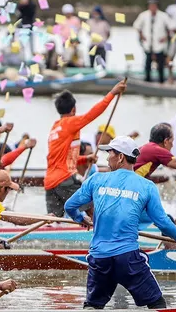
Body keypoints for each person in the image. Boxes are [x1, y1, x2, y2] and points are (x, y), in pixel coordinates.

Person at [64, 136, 176, 310]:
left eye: (109, 153)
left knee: (92, 308)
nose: (107, 157)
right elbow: (162, 222)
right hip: (128, 259)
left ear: (120, 157)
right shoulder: (147, 186)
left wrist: (81, 219)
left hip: (99, 258)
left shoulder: (96, 180)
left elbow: (70, 206)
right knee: (157, 304)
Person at [44, 82, 126, 217]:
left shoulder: (55, 128)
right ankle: (104, 234)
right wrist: (112, 93)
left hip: (50, 182)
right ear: (74, 109)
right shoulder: (69, 122)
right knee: (91, 206)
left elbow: (62, 159)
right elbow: (92, 114)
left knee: (54, 221)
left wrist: (85, 159)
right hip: (64, 180)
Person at [132, 0, 172, 83]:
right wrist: (141, 35)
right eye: (151, 5)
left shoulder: (163, 16)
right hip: (148, 44)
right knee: (147, 64)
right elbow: (136, 26)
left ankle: (161, 81)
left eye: (154, 5)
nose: (152, 7)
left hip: (159, 44)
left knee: (160, 64)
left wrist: (166, 37)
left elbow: (171, 27)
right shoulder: (143, 15)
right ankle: (147, 80)